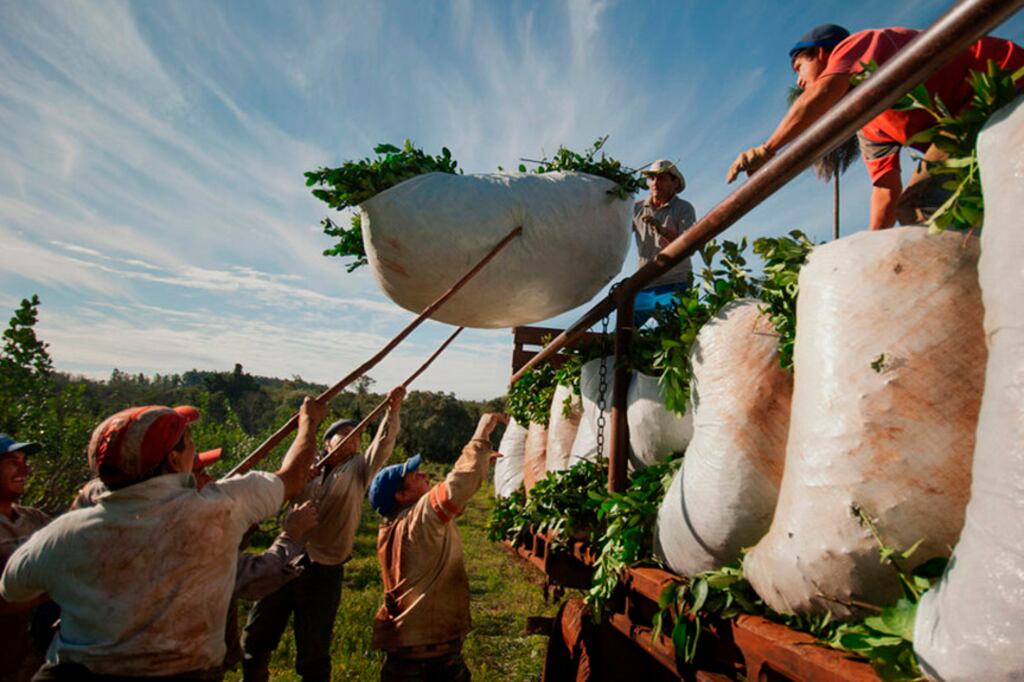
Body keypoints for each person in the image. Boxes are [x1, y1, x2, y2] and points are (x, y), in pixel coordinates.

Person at [0, 397, 326, 680]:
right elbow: (294, 476)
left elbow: (11, 590)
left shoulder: (64, 534)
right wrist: (309, 424)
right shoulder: (218, 508)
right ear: (173, 459)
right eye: (189, 441)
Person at [726, 24, 1024, 230]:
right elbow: (885, 190)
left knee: (923, 203)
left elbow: (824, 92)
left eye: (799, 69)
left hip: (1003, 83)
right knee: (913, 207)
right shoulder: (869, 125)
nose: (799, 82)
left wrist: (768, 149)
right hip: (967, 122)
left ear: (820, 54)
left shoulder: (858, 45)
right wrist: (870, 254)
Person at [242, 386, 407, 682]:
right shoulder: (304, 466)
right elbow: (277, 490)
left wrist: (392, 410)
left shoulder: (359, 470)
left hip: (325, 569)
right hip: (285, 559)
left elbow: (382, 444)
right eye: (344, 433)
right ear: (327, 442)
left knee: (314, 649)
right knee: (257, 636)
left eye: (356, 435)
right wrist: (297, 478)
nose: (352, 438)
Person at [369, 412, 507, 682]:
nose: (423, 474)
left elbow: (452, 500)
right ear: (402, 495)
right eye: (413, 474)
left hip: (406, 658)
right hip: (429, 664)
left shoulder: (394, 525)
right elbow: (458, 484)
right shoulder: (418, 519)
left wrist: (479, 464)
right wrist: (481, 435)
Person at [0, 435, 51, 682]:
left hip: (31, 659)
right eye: (12, 461)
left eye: (24, 460)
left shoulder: (35, 519)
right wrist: (49, 593)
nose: (24, 468)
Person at [632, 159, 696, 327]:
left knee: (676, 332)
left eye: (661, 178)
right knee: (625, 330)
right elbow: (615, 232)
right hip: (645, 284)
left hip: (675, 283)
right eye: (652, 178)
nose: (655, 183)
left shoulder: (684, 209)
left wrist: (663, 230)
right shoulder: (636, 209)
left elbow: (689, 245)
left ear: (675, 183)